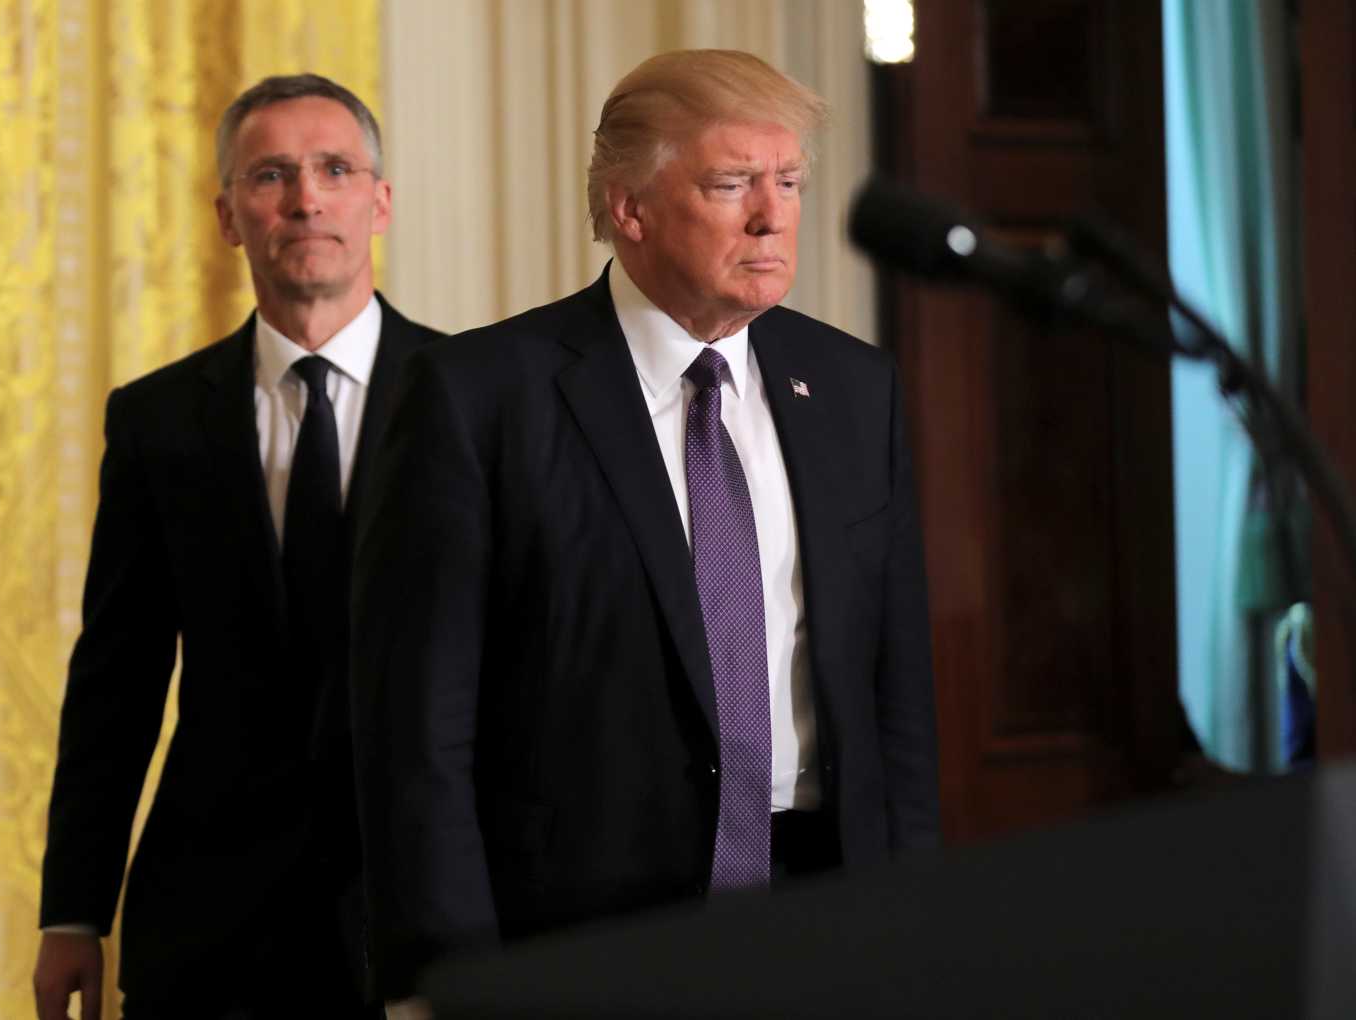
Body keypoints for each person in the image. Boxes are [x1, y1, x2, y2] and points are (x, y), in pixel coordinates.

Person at [351, 49, 940, 1002]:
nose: (773, 214)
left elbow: (896, 698)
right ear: (630, 207)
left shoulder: (852, 387)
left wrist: (919, 927)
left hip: (829, 916)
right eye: (730, 183)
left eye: (787, 181)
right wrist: (439, 979)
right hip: (583, 936)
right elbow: (417, 731)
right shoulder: (479, 398)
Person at [32, 73, 442, 1020]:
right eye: (272, 175)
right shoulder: (157, 419)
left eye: (335, 169)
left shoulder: (475, 395)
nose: (305, 198)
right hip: (209, 925)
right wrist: (72, 913)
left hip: (414, 916)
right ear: (228, 215)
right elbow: (115, 685)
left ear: (378, 202)